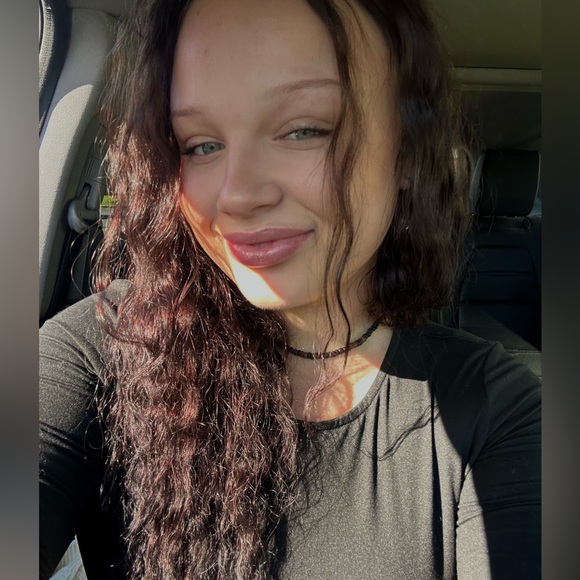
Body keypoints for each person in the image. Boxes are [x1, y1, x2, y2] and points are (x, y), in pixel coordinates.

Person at [39, 0, 541, 578]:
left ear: (406, 151)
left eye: (305, 130)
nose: (236, 195)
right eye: (199, 144)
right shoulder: (105, 347)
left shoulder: (496, 413)